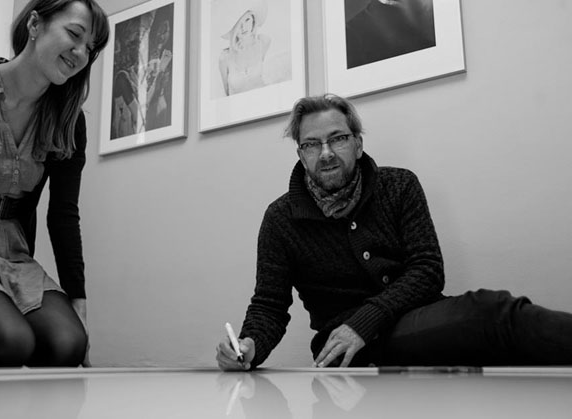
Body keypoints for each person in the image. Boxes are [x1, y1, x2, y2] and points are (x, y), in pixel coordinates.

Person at [216, 93, 572, 371]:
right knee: (491, 315)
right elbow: (270, 305)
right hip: (344, 348)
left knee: (497, 332)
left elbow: (427, 270)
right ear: (300, 153)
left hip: (416, 320)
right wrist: (250, 345)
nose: (325, 153)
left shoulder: (399, 185)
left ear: (357, 143)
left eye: (337, 138)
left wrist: (365, 320)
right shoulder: (280, 219)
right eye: (312, 144)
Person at [0, 0, 109, 369]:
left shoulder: (68, 121)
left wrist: (79, 305)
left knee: (68, 344)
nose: (80, 54)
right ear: (34, 24)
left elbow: (63, 215)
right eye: (74, 35)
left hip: (12, 254)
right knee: (8, 342)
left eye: (89, 48)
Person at [218, 0, 271, 96]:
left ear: (253, 20)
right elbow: (227, 95)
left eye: (247, 20)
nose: (244, 28)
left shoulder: (263, 42)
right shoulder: (225, 57)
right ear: (233, 28)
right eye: (238, 24)